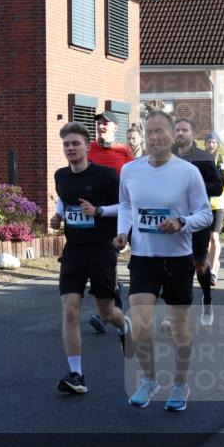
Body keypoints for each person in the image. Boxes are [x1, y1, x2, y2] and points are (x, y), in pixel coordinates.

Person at [115, 111, 212, 412]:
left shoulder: (187, 172)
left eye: (160, 131)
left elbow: (205, 214)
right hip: (144, 259)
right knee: (140, 325)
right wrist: (122, 233)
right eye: (149, 131)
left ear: (173, 136)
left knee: (179, 330)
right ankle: (149, 379)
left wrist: (181, 222)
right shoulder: (130, 170)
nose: (154, 137)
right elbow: (126, 206)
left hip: (178, 260)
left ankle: (181, 384)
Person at [50, 122, 130, 395]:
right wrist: (58, 215)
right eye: (66, 144)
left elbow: (126, 206)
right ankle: (76, 374)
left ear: (87, 146)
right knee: (70, 309)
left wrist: (99, 211)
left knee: (107, 313)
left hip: (101, 249)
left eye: (75, 144)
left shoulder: (107, 176)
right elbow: (65, 198)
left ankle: (124, 325)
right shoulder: (60, 175)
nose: (70, 148)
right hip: (73, 250)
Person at [85, 112, 133, 335]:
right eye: (99, 124)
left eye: (106, 124)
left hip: (115, 216)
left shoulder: (124, 152)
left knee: (107, 261)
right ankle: (114, 297)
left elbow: (134, 179)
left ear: (115, 127)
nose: (101, 127)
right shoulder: (89, 149)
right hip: (90, 217)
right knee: (98, 265)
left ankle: (108, 315)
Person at [172, 119, 224, 327]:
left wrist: (194, 185)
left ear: (193, 134)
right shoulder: (169, 157)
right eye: (177, 130)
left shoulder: (204, 158)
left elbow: (217, 188)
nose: (180, 133)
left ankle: (207, 299)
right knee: (175, 264)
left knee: (199, 263)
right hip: (174, 219)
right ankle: (178, 309)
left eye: (184, 130)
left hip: (198, 219)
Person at [205, 132, 224, 285]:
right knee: (206, 239)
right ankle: (212, 264)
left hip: (218, 204)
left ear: (218, 144)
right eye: (209, 142)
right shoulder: (201, 160)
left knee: (214, 237)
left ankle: (213, 271)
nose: (211, 144)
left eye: (213, 142)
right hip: (204, 205)